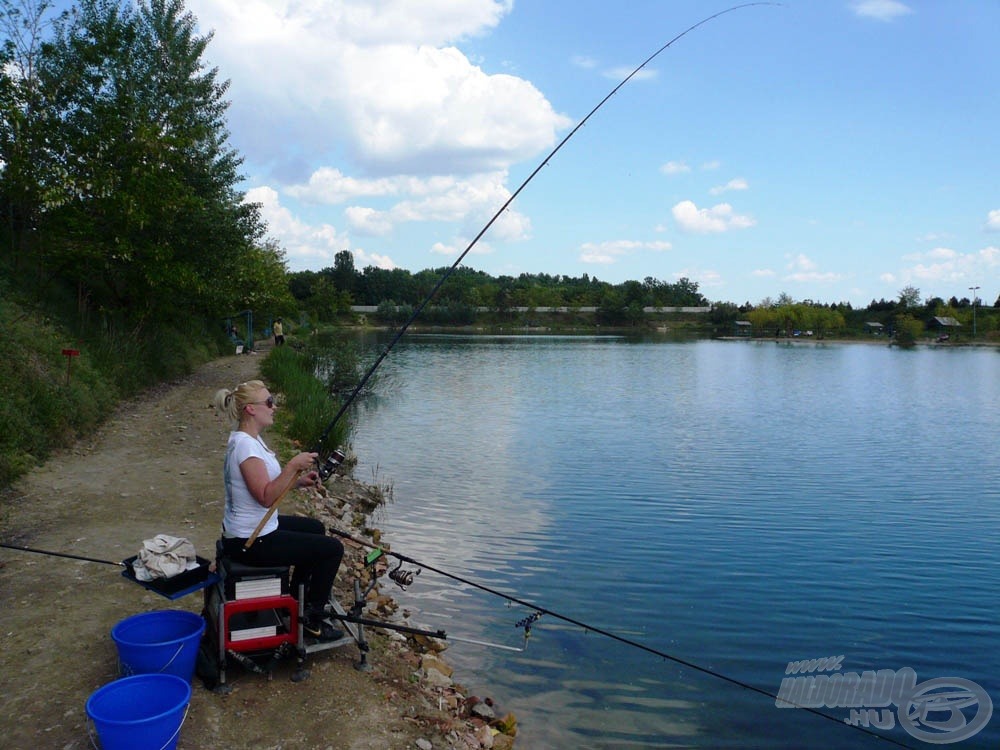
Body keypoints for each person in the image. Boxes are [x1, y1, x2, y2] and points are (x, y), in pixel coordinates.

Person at [212, 379, 343, 640]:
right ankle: (312, 620)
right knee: (332, 549)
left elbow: (266, 487)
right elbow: (264, 497)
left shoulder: (250, 440)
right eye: (269, 402)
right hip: (249, 540)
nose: (274, 407)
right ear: (251, 409)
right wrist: (293, 467)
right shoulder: (246, 447)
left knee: (316, 528)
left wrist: (297, 482)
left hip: (255, 528)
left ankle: (296, 600)